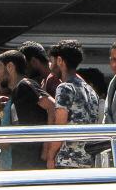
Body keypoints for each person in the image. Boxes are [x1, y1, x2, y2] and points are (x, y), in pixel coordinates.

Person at [43, 40, 102, 169]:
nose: (50, 66)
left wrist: (50, 155)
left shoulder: (65, 88)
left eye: (52, 61)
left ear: (60, 61)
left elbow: (60, 127)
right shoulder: (90, 90)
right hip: (87, 161)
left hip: (67, 160)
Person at [0, 49, 56, 170]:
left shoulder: (25, 84)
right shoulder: (16, 93)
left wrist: (46, 150)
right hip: (21, 161)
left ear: (10, 67)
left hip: (34, 162)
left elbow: (52, 106)